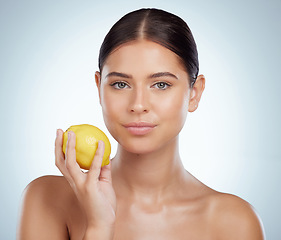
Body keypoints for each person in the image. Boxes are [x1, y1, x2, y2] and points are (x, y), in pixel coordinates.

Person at [17, 8, 265, 240]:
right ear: (99, 88)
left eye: (161, 85)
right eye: (120, 84)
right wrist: (99, 226)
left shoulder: (234, 222)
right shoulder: (48, 198)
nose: (138, 104)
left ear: (194, 93)